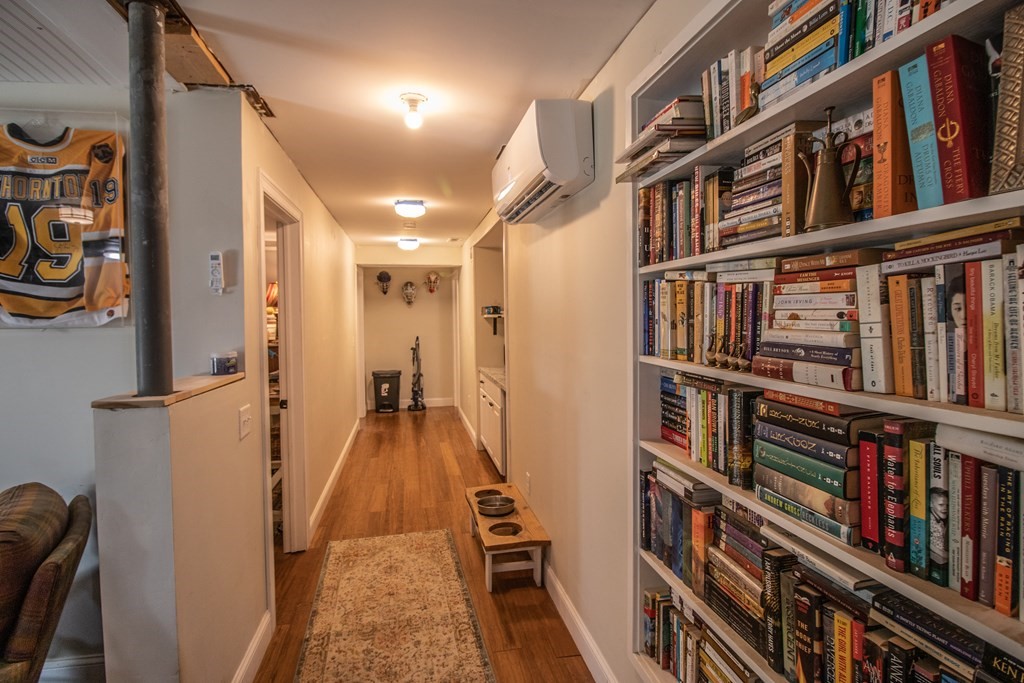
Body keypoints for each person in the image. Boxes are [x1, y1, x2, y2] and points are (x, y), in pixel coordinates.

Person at [929, 487, 949, 567]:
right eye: (941, 505)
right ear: (931, 504)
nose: (945, 508)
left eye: (947, 505)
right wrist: (946, 555)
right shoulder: (931, 521)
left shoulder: (940, 521)